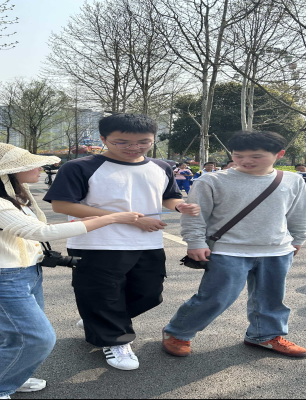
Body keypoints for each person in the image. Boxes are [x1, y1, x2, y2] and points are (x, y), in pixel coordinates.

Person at [0, 143, 142, 399]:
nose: (39, 168)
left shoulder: (8, 197)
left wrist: (92, 220)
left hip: (23, 274)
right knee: (36, 338)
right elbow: (38, 231)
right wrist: (112, 218)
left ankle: (5, 378)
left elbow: (31, 227)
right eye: (29, 164)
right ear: (6, 172)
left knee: (14, 335)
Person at [43, 113, 200, 371]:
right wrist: (129, 219)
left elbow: (168, 196)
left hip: (147, 242)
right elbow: (62, 205)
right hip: (96, 242)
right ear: (103, 139)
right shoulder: (80, 167)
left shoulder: (161, 167)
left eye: (143, 142)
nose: (134, 147)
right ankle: (115, 339)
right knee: (102, 294)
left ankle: (99, 319)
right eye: (122, 142)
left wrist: (179, 206)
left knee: (149, 294)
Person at [161, 131, 306, 359]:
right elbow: (195, 215)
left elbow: (299, 213)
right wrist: (195, 242)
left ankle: (265, 335)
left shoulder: (293, 180)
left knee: (271, 298)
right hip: (227, 250)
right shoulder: (211, 180)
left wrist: (299, 239)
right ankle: (178, 333)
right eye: (238, 155)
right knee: (216, 297)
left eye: (256, 156)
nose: (245, 161)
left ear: (279, 154)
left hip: (277, 250)